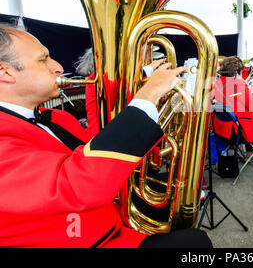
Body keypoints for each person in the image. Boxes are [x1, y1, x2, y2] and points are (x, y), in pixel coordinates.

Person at [0, 26, 212, 248]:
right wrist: (148, 95)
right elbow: (75, 185)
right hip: (84, 239)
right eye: (44, 60)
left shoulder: (57, 117)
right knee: (195, 245)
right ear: (5, 72)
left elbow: (98, 165)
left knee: (184, 218)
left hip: (106, 221)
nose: (58, 67)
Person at [74, 48, 166, 137]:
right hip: (103, 136)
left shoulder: (100, 78)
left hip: (111, 132)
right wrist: (150, 69)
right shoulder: (98, 79)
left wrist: (150, 68)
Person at [212, 56, 253, 147]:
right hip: (235, 133)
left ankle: (248, 153)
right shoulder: (238, 83)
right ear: (239, 71)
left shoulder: (218, 82)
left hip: (220, 130)